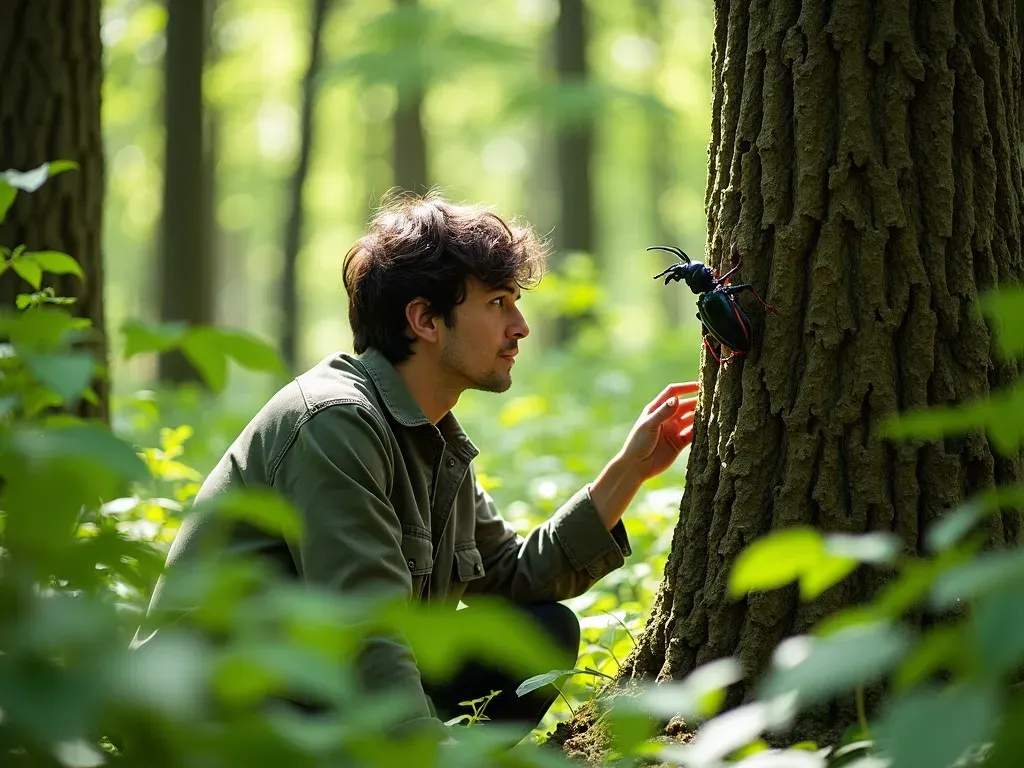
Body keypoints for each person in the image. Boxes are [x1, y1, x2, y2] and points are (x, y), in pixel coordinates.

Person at [132, 194, 698, 748]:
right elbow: (364, 630)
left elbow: (510, 574)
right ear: (426, 319)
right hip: (218, 718)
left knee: (539, 632)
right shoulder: (336, 423)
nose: (521, 326)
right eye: (498, 302)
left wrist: (629, 471)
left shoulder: (427, 435)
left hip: (311, 688)